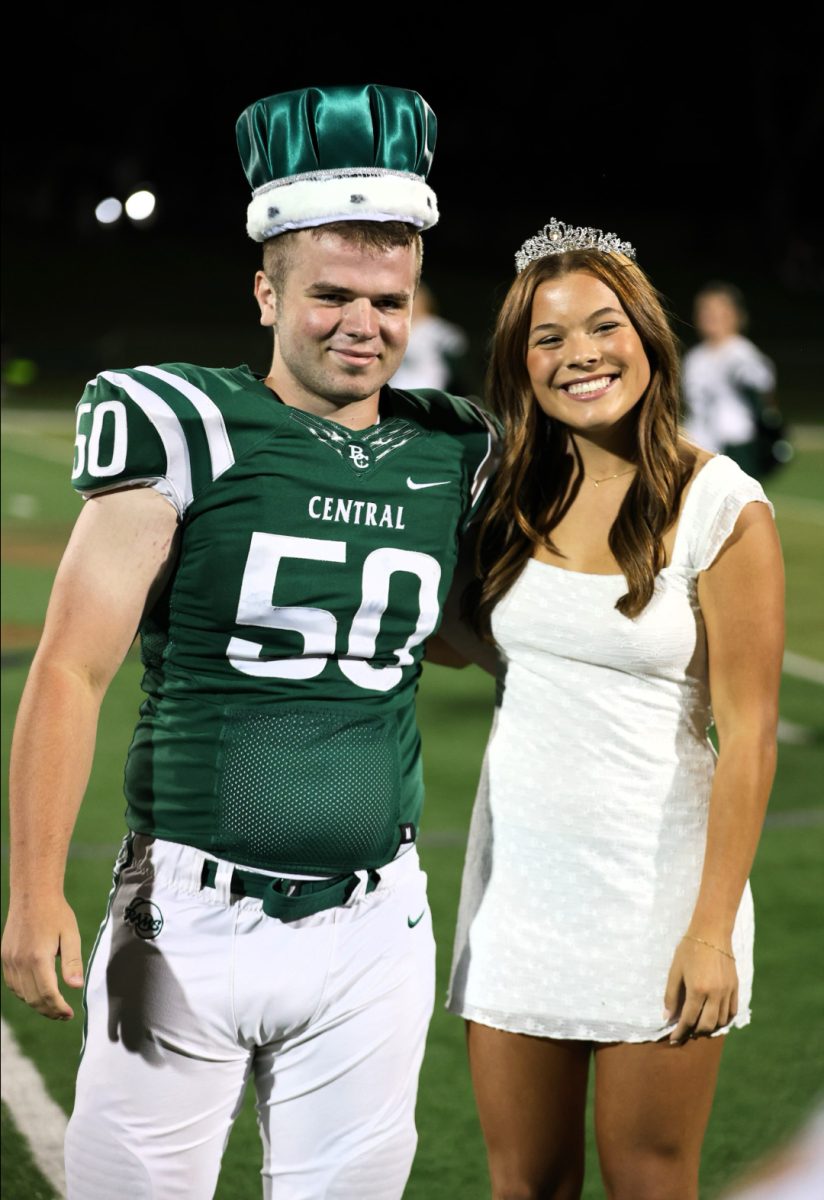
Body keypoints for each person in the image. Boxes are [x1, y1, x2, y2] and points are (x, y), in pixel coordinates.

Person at [1, 84, 496, 1200]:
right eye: (329, 295)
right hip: (188, 918)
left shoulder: (449, 453)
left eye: (387, 300)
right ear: (263, 289)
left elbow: (460, 636)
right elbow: (73, 669)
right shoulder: (185, 424)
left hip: (376, 924)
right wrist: (34, 891)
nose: (360, 326)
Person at [446, 219, 784, 1199]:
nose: (580, 354)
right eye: (547, 338)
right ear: (519, 360)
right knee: (525, 1184)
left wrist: (710, 929)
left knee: (645, 1177)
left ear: (645, 335)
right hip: (515, 891)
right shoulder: (507, 491)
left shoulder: (719, 503)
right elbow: (457, 641)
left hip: (658, 897)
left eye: (602, 326)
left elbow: (748, 734)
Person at [682, 281, 788, 479]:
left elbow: (764, 402)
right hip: (700, 445)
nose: (710, 317)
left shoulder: (742, 355)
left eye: (717, 310)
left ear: (734, 314)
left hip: (736, 447)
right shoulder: (695, 358)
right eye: (705, 310)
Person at [389, 282, 469, 391]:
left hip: (425, 390)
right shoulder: (398, 327)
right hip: (396, 390)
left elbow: (457, 343)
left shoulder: (432, 326)